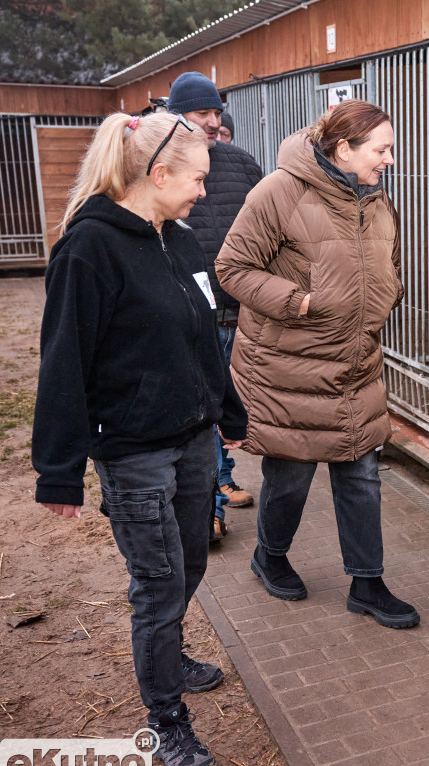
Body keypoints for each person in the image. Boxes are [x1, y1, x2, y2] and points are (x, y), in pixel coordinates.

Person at [31, 111, 247, 766]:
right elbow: (63, 362)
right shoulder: (88, 249)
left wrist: (227, 410)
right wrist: (59, 471)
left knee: (188, 566)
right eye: (198, 179)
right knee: (157, 588)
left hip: (190, 441)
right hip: (131, 451)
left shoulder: (177, 241)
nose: (204, 194)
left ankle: (171, 656)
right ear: (159, 174)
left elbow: (203, 333)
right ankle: (167, 718)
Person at [215, 100, 418, 628]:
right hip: (291, 368)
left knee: (361, 472)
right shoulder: (279, 191)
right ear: (343, 149)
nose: (390, 160)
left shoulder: (373, 198)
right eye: (382, 149)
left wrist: (385, 294)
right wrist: (298, 301)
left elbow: (383, 262)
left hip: (353, 362)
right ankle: (270, 555)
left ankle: (367, 583)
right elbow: (232, 266)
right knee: (291, 476)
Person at [165, 72, 264, 542]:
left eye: (215, 112)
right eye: (201, 112)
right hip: (192, 316)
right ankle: (210, 510)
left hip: (242, 311)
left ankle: (221, 482)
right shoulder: (161, 167)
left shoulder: (242, 164)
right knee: (203, 408)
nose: (211, 120)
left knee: (230, 409)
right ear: (176, 115)